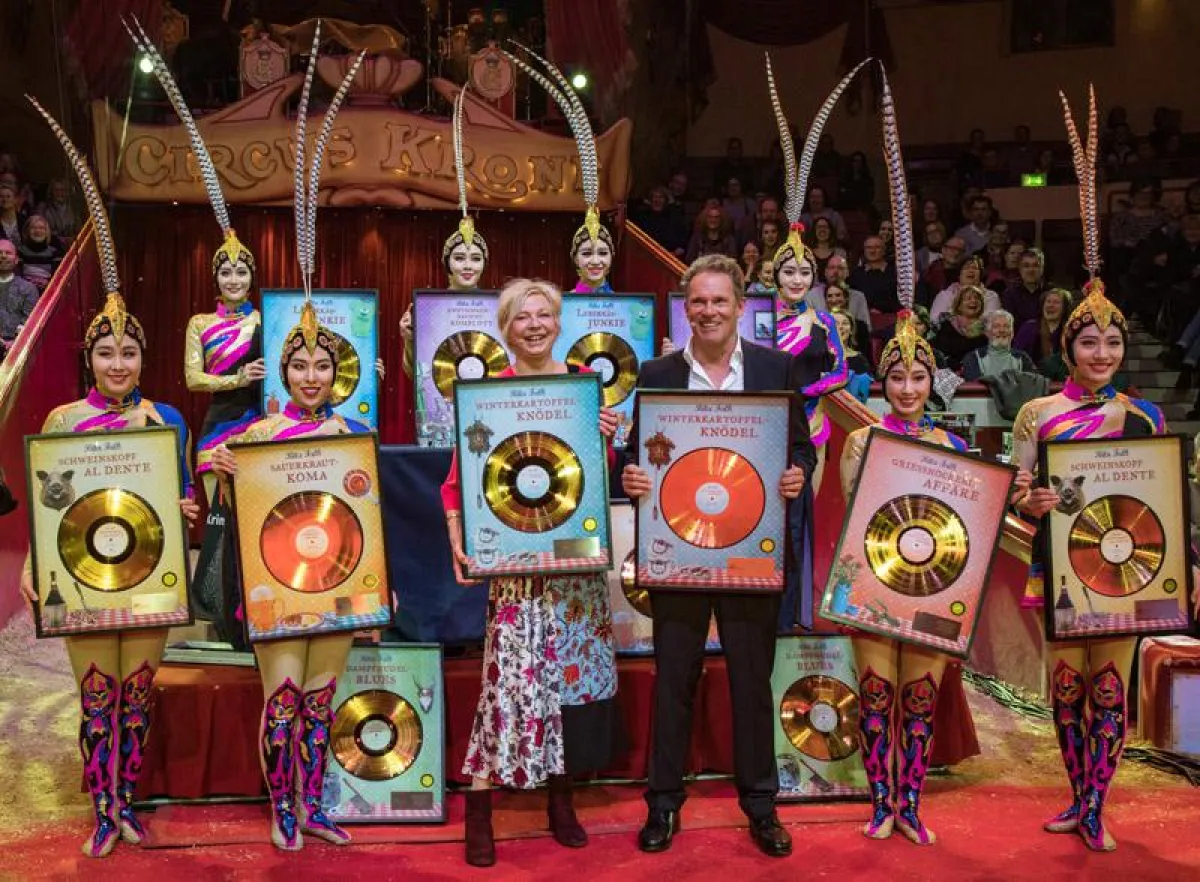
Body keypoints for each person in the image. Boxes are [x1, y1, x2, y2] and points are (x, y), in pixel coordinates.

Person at [844, 68, 1032, 847]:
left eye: (921, 374)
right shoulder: (862, 439)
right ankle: (879, 801)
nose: (912, 383)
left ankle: (910, 801)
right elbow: (860, 512)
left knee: (920, 699)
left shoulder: (956, 446)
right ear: (883, 380)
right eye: (899, 374)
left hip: (935, 583)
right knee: (878, 694)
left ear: (933, 380)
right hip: (872, 582)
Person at [20, 97, 199, 859]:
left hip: (150, 573)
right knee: (97, 698)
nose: (119, 363)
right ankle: (103, 805)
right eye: (106, 352)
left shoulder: (165, 421)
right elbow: (44, 505)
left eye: (129, 352)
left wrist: (189, 515)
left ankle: (128, 800)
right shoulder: (62, 422)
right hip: (85, 576)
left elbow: (184, 499)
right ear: (89, 359)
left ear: (143, 359)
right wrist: (34, 563)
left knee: (137, 696)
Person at [207, 34, 366, 852]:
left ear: (336, 373)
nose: (309, 375)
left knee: (322, 701)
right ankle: (284, 809)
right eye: (297, 363)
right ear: (283, 371)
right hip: (276, 584)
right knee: (281, 699)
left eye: (321, 365)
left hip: (335, 583)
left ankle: (317, 803)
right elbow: (208, 467)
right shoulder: (257, 430)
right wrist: (220, 463)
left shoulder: (353, 433)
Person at [1013, 89, 1170, 854]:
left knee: (1109, 690)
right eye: (1089, 342)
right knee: (1066, 691)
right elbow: (1016, 495)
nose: (1102, 352)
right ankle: (1076, 796)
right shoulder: (1038, 415)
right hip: (1058, 564)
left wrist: (1189, 562)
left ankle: (1099, 807)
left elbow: (1170, 504)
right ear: (1068, 348)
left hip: (1130, 569)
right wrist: (1033, 502)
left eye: (1112, 342)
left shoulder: (1146, 420)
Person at [622, 253, 815, 857]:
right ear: (686, 307)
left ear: (739, 307)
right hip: (677, 549)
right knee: (674, 680)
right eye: (697, 302)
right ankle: (662, 805)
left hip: (750, 553)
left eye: (719, 301)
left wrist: (796, 476)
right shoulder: (656, 372)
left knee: (753, 683)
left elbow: (802, 451)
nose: (707, 311)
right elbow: (636, 453)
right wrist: (630, 476)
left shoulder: (775, 367)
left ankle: (761, 806)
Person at [442, 278, 619, 867]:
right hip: (516, 568)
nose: (536, 325)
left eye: (545, 315)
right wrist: (457, 541)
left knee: (564, 686)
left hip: (574, 564)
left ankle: (560, 800)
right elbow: (456, 482)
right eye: (523, 318)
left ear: (559, 322)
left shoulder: (583, 388)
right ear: (506, 328)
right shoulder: (487, 395)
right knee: (508, 683)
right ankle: (480, 807)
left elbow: (592, 479)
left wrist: (606, 440)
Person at [399, 84, 492, 376]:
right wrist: (409, 341)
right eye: (460, 258)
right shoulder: (428, 307)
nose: (467, 265)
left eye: (476, 258)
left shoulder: (496, 308)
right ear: (446, 264)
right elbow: (414, 373)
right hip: (439, 407)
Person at [961, 309, 1035, 381]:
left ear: (1012, 333)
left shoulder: (1022, 357)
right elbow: (975, 387)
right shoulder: (973, 358)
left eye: (1006, 326)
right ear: (987, 333)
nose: (1002, 330)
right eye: (996, 326)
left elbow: (1033, 384)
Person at [931, 284, 989, 371]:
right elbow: (941, 356)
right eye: (968, 298)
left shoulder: (987, 328)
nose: (973, 301)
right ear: (959, 305)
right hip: (951, 372)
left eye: (977, 298)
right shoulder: (947, 326)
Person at [929, 256, 999, 324]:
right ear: (959, 275)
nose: (971, 271)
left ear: (980, 274)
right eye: (966, 268)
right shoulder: (945, 295)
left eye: (974, 268)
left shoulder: (991, 296)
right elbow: (934, 320)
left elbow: (991, 322)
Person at [0, 238, 39, 358]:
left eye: (8, 253)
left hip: (19, 350)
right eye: (0, 253)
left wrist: (15, 343)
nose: (3, 256)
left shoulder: (28, 289)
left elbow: (29, 321)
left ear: (16, 260)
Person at [1014, 287, 1071, 368]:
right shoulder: (1029, 328)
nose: (1051, 305)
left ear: (1065, 308)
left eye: (1056, 302)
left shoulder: (1070, 330)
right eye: (1048, 302)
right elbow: (1016, 356)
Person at [849, 235, 899, 314]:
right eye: (868, 247)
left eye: (877, 247)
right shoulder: (856, 274)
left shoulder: (895, 273)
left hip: (891, 319)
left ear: (884, 250)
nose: (872, 251)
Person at [1001, 249, 1050, 327]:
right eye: (1026, 266)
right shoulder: (1009, 294)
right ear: (1020, 269)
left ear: (1042, 268)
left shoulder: (1051, 293)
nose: (1031, 270)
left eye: (1035, 265)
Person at [17, 214, 65, 291]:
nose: (37, 231)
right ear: (27, 231)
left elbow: (58, 278)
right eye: (33, 228)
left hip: (48, 292)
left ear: (47, 232)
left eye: (42, 228)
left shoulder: (55, 253)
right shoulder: (20, 251)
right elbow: (17, 277)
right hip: (24, 292)